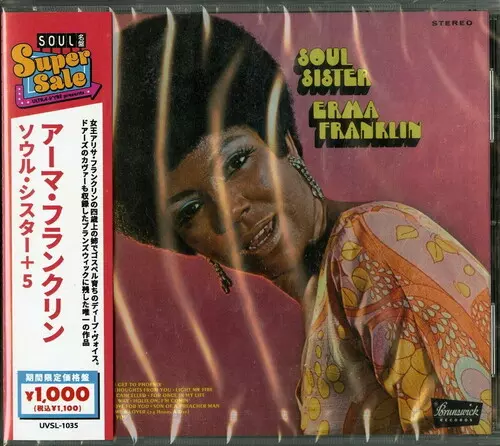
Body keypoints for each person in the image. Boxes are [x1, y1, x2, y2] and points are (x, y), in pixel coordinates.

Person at [114, 13, 492, 436]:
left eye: (237, 161)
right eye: (190, 211)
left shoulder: (370, 244)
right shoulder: (327, 295)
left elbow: (470, 422)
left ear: (284, 142)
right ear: (186, 243)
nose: (231, 210)